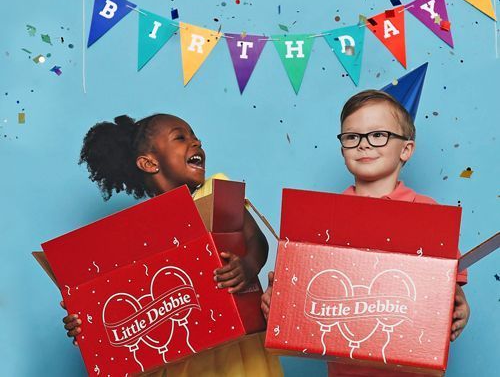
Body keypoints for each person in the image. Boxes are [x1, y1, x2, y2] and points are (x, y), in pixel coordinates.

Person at [261, 90, 470, 373]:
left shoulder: (428, 214)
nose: (364, 145)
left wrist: (459, 308)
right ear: (342, 148)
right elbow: (304, 295)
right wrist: (278, 302)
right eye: (352, 137)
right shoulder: (323, 220)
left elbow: (449, 289)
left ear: (406, 149)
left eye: (378, 135)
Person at [62, 113, 283, 377]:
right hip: (182, 362)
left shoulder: (215, 191)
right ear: (149, 163)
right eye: (180, 137)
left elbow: (255, 240)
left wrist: (247, 266)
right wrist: (86, 324)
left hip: (238, 355)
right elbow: (122, 300)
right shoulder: (138, 232)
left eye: (194, 136)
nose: (196, 141)